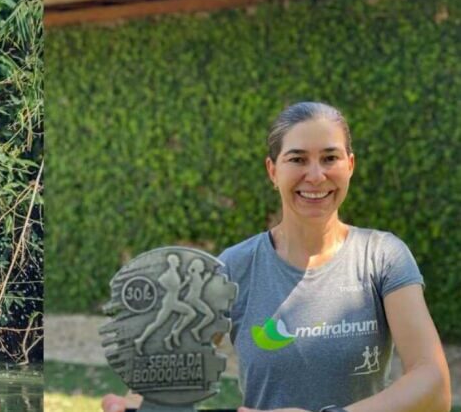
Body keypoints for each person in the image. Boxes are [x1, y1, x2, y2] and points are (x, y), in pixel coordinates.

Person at [102, 102, 450, 412]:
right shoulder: (234, 268)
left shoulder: (383, 257)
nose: (315, 175)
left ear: (350, 165)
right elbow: (172, 379)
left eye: (330, 158)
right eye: (297, 159)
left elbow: (433, 385)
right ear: (273, 171)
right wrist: (134, 404)